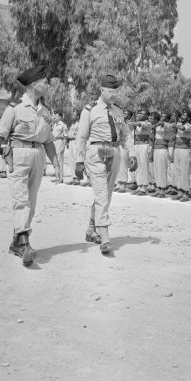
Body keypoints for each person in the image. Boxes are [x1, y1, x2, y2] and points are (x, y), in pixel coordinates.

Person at [0, 66, 61, 267]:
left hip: (38, 155)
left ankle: (16, 241)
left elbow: (48, 140)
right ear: (34, 84)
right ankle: (23, 242)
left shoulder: (46, 112)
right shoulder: (15, 108)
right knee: (22, 200)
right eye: (45, 82)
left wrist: (56, 163)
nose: (47, 85)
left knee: (31, 201)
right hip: (17, 155)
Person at [74, 74, 137, 255]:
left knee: (105, 196)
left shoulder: (118, 111)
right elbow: (81, 137)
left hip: (114, 154)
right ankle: (105, 236)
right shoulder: (90, 110)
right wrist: (79, 161)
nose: (113, 95)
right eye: (110, 91)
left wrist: (132, 154)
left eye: (116, 91)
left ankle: (91, 229)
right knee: (102, 195)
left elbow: (126, 135)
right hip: (96, 155)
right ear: (101, 90)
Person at [172, 110, 191, 201]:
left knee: (185, 171)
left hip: (185, 150)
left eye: (185, 115)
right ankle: (179, 191)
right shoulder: (179, 125)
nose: (183, 116)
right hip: (177, 149)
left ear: (188, 118)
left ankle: (186, 193)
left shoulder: (190, 126)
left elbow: (182, 128)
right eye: (182, 115)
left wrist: (176, 124)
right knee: (177, 170)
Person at [128, 108, 152, 196]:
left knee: (144, 166)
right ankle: (139, 185)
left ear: (146, 116)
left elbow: (138, 123)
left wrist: (133, 123)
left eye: (142, 114)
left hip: (144, 145)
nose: (140, 115)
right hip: (136, 145)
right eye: (139, 114)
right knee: (137, 166)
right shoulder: (136, 124)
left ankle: (144, 187)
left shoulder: (148, 123)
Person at [51, 111, 68, 183]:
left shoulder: (63, 125)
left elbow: (65, 136)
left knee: (60, 161)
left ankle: (61, 178)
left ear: (60, 117)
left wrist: (63, 146)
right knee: (55, 160)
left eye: (56, 116)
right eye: (54, 115)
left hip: (59, 142)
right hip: (53, 142)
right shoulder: (54, 124)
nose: (55, 117)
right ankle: (57, 176)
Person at [65, 109, 81, 185]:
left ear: (78, 116)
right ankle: (73, 177)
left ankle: (78, 178)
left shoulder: (79, 124)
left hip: (76, 142)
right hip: (71, 142)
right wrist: (67, 142)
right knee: (70, 160)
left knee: (76, 160)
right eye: (72, 114)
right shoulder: (71, 124)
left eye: (74, 114)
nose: (72, 115)